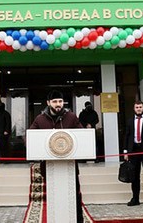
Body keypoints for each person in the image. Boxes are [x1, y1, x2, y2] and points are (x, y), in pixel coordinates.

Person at [29, 90, 84, 223]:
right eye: (54, 102)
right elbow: (30, 138)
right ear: (48, 103)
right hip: (49, 167)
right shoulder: (40, 119)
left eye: (60, 101)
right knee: (54, 196)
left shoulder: (71, 117)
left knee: (74, 196)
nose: (58, 104)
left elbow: (82, 135)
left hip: (70, 166)